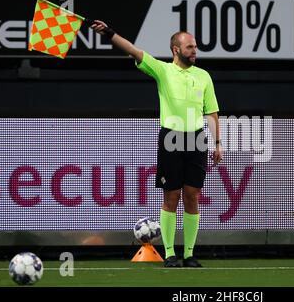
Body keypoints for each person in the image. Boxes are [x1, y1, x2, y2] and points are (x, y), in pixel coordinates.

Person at [90, 20, 223, 268]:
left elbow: (212, 112)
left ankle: (190, 254)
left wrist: (217, 143)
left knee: (192, 196)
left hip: (196, 139)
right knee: (171, 195)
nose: (195, 51)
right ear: (176, 49)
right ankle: (170, 253)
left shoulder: (203, 76)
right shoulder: (163, 71)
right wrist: (109, 32)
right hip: (171, 138)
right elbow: (133, 50)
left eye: (195, 47)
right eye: (190, 47)